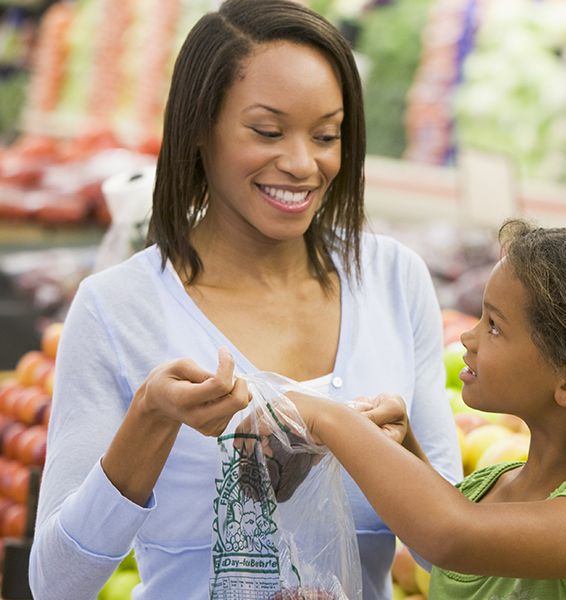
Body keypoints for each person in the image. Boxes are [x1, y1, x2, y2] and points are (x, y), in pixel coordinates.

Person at [29, 1, 462, 598]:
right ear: (200, 128)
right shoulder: (118, 307)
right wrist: (150, 419)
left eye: (327, 135)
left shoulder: (393, 279)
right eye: (266, 131)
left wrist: (400, 450)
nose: (302, 164)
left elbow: (460, 564)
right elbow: (56, 584)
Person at [288, 220, 566, 599]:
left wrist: (329, 417)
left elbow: (450, 536)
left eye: (495, 326)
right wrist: (403, 445)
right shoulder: (493, 484)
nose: (469, 337)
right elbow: (445, 538)